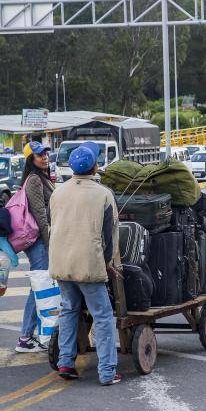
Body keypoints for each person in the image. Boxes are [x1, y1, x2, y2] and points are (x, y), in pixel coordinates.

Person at [50, 141, 121, 386]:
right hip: (89, 263)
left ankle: (66, 362)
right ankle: (108, 371)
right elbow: (109, 235)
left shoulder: (58, 191)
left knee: (69, 310)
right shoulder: (103, 194)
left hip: (61, 262)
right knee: (102, 316)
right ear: (95, 167)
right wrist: (109, 263)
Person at [16, 141, 55, 353]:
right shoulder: (34, 181)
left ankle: (39, 335)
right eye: (40, 155)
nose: (44, 157)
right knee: (38, 288)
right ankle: (25, 337)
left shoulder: (42, 178)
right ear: (31, 159)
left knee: (40, 287)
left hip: (41, 240)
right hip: (39, 241)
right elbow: (41, 215)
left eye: (46, 153)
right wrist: (50, 244)